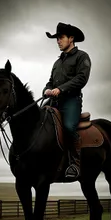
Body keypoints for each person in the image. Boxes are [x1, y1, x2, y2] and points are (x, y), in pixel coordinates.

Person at [43, 22, 91, 180]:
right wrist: (47, 89)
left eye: (61, 37)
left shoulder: (82, 56)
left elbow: (81, 78)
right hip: (54, 101)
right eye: (57, 38)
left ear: (71, 38)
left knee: (69, 126)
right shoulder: (57, 62)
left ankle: (75, 164)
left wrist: (61, 89)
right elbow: (51, 81)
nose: (58, 41)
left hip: (71, 101)